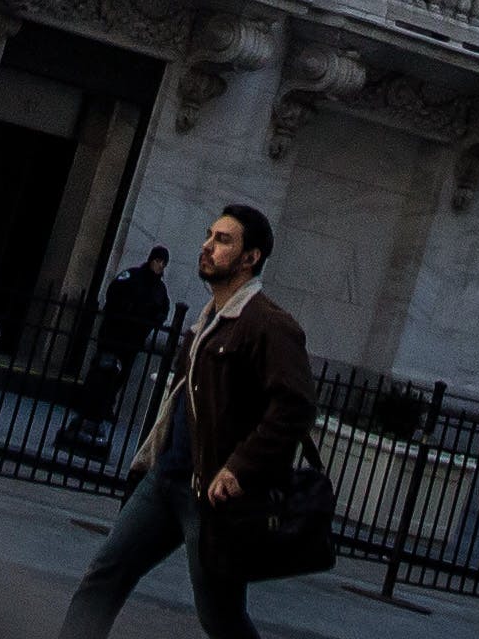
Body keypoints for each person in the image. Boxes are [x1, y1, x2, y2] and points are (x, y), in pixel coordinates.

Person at [58, 205, 311, 639]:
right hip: (167, 480)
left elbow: (294, 407)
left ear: (251, 258)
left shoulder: (269, 324)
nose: (208, 247)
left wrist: (239, 468)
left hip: (214, 500)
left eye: (223, 240)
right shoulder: (205, 322)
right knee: (102, 577)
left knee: (221, 617)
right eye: (209, 235)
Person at [83, 245, 174, 443]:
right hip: (114, 333)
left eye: (162, 263)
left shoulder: (159, 289)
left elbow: (163, 310)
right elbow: (114, 292)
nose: (159, 266)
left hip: (133, 340)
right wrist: (123, 312)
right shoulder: (132, 276)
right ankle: (90, 406)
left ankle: (106, 406)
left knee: (120, 374)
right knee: (103, 368)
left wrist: (151, 322)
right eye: (157, 261)